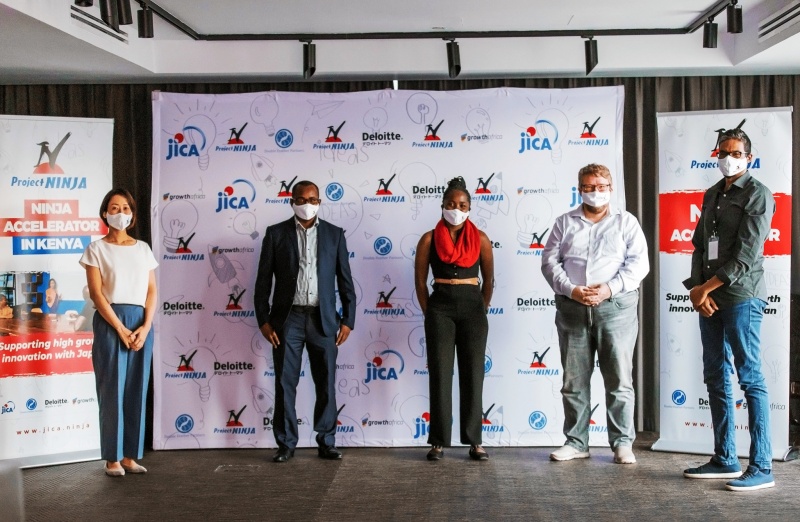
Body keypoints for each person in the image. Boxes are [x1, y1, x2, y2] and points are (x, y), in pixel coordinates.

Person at [682, 128, 776, 491]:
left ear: (748, 158)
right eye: (723, 152)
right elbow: (699, 246)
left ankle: (762, 466)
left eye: (736, 153)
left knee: (749, 378)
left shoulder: (758, 194)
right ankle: (725, 459)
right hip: (710, 298)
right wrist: (697, 290)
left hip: (742, 297)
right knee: (715, 375)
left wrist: (705, 288)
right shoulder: (711, 194)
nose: (728, 158)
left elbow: (747, 255)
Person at [541, 163, 649, 464]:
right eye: (589, 187)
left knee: (619, 379)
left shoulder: (626, 222)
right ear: (580, 190)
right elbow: (549, 262)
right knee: (574, 381)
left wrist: (608, 289)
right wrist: (571, 289)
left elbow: (639, 264)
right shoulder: (564, 223)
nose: (595, 192)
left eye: (601, 186)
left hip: (615, 308)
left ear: (610, 188)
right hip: (572, 307)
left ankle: (622, 444)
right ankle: (576, 442)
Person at [254, 180, 356, 463]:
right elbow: (262, 282)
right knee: (285, 384)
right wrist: (263, 320)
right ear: (292, 202)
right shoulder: (276, 234)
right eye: (300, 200)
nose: (306, 205)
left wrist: (348, 320)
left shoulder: (335, 234)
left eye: (312, 200)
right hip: (288, 320)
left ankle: (327, 441)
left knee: (326, 383)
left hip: (324, 319)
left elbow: (345, 280)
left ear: (319, 202)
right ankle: (286, 444)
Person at [414, 176, 494, 461]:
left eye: (461, 205)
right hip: (440, 310)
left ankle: (475, 441)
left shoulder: (481, 239)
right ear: (442, 206)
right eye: (450, 204)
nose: (456, 209)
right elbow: (420, 282)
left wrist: (481, 308)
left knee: (473, 374)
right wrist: (430, 312)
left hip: (473, 309)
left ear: (469, 208)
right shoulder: (428, 239)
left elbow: (489, 280)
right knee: (440, 374)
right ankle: (437, 442)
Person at [79, 188, 157, 477]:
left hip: (140, 322)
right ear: (105, 213)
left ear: (132, 215)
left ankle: (129, 456)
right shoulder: (95, 249)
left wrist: (145, 327)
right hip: (110, 320)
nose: (120, 213)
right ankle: (111, 458)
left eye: (125, 208)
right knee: (111, 389)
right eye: (114, 207)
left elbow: (151, 291)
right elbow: (97, 294)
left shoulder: (143, 249)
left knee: (137, 388)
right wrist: (121, 328)